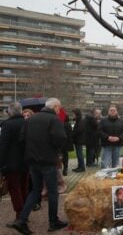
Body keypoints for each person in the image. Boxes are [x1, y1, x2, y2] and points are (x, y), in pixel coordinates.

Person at [12, 98, 68, 234]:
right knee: (52, 191)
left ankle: (21, 220)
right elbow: (61, 138)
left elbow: (22, 139)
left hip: (32, 161)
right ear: (55, 107)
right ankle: (53, 221)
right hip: (48, 161)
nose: (59, 110)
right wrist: (54, 150)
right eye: (59, 108)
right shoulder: (54, 120)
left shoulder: (31, 119)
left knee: (36, 190)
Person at [0, 102, 27, 224]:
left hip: (11, 164)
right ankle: (24, 215)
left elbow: (3, 146)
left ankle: (20, 217)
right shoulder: (27, 122)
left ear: (10, 112)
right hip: (26, 162)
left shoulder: (7, 124)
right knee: (23, 189)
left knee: (15, 190)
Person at [72, 108, 86, 173]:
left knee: (80, 154)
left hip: (79, 140)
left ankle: (82, 167)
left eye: (74, 114)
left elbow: (78, 130)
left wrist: (72, 133)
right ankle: (79, 166)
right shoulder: (78, 120)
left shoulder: (80, 121)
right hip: (78, 140)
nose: (73, 115)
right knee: (78, 154)